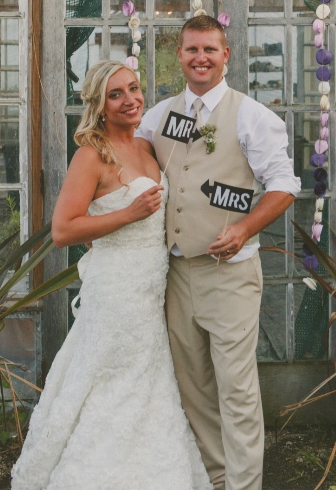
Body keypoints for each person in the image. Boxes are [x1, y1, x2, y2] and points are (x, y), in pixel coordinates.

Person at [11, 61, 212, 490]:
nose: (130, 100)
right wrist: (126, 214)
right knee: (111, 376)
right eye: (116, 94)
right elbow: (64, 229)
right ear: (100, 106)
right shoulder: (91, 155)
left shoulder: (148, 146)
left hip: (151, 284)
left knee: (148, 377)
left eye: (134, 89)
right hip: (116, 290)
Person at [136, 16, 301, 490]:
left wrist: (245, 227)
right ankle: (217, 479)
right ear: (179, 57)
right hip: (175, 274)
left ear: (226, 55)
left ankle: (246, 486)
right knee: (195, 389)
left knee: (237, 389)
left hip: (230, 275)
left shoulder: (251, 115)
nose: (200, 58)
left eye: (210, 49)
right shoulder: (159, 115)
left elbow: (285, 183)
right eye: (191, 50)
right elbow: (134, 162)